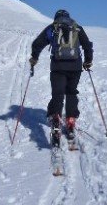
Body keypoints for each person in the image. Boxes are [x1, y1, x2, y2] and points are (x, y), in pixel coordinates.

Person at [29, 9, 93, 140]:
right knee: (71, 92)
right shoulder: (77, 28)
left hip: (58, 66)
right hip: (75, 67)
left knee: (57, 93)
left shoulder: (52, 28)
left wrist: (34, 58)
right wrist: (88, 61)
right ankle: (70, 120)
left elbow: (37, 44)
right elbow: (87, 45)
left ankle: (56, 117)